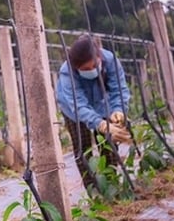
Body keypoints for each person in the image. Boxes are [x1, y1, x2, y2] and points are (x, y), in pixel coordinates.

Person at [55, 35, 132, 195]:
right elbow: (78, 105)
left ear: (99, 57)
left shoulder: (110, 60)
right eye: (84, 69)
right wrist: (100, 124)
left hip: (103, 104)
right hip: (73, 110)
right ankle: (94, 193)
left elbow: (119, 88)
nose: (90, 71)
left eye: (94, 66)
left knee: (109, 143)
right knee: (83, 149)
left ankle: (111, 187)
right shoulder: (67, 72)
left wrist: (118, 109)